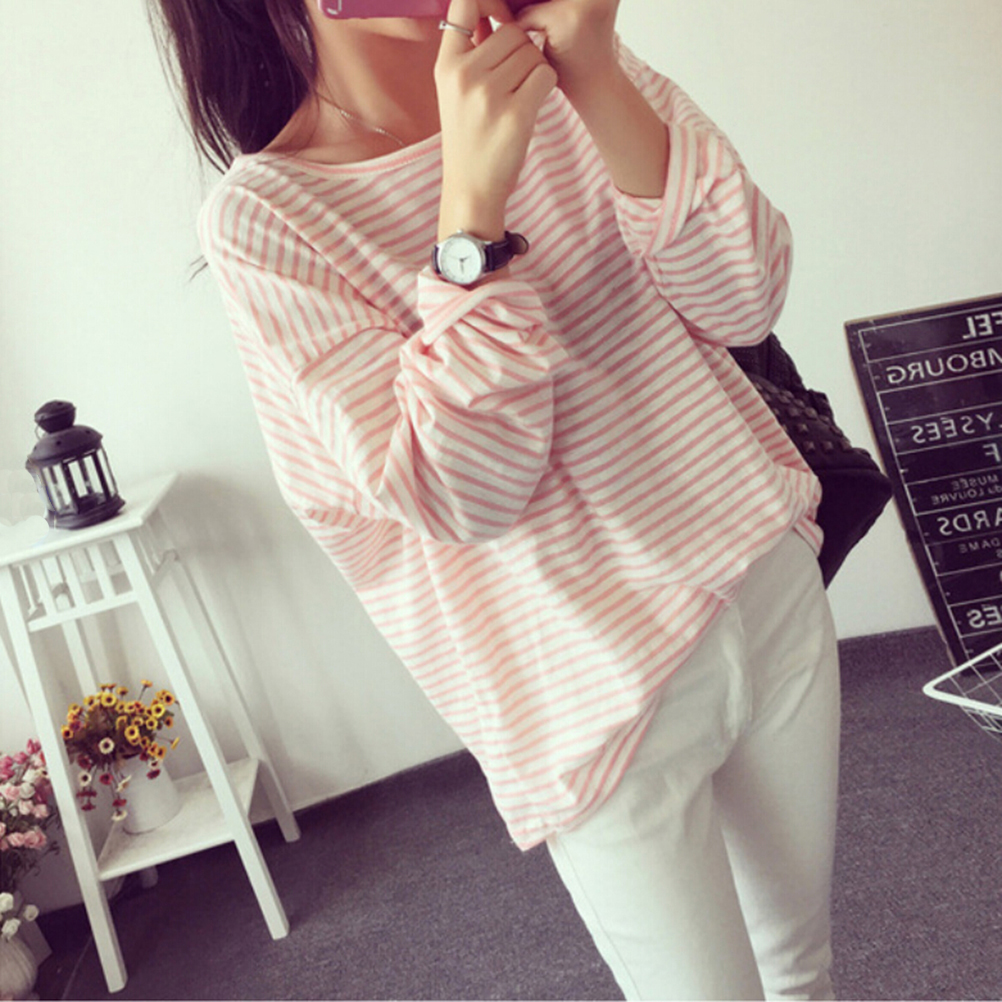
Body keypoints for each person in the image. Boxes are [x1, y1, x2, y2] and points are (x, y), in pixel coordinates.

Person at [147, 0, 841, 997]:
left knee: (801, 969)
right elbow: (466, 490)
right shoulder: (268, 217)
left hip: (761, 582)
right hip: (584, 685)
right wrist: (471, 209)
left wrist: (596, 76)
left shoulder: (569, 66)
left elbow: (744, 299)